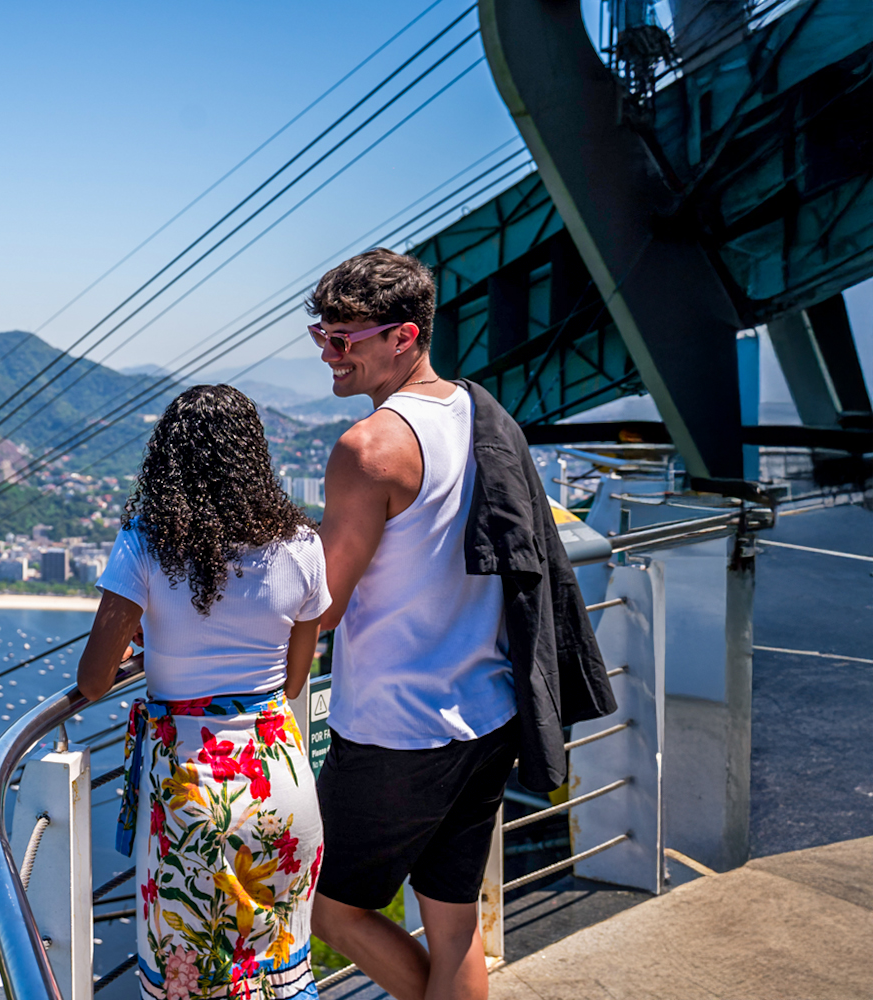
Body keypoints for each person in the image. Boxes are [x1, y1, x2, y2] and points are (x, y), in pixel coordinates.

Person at [304, 249, 615, 1000]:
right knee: (453, 924)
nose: (327, 354)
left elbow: (321, 603)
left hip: (395, 731)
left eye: (344, 339)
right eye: (321, 335)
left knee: (324, 904)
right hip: (486, 713)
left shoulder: (368, 448)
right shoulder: (483, 414)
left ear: (403, 336)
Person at [78, 384, 331, 1000]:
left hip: (190, 795)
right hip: (281, 783)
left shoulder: (144, 543)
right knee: (277, 974)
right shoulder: (301, 545)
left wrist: (152, 644)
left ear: (167, 460)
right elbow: (294, 680)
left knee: (188, 984)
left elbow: (91, 680)